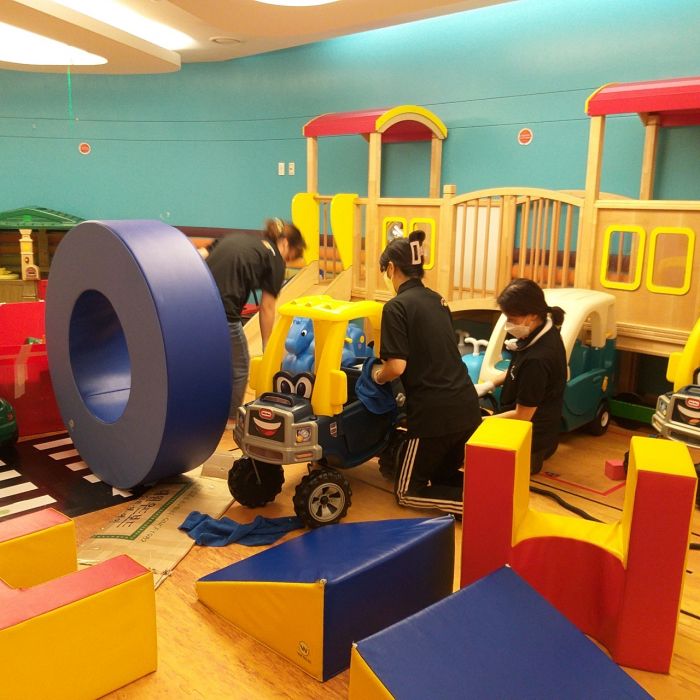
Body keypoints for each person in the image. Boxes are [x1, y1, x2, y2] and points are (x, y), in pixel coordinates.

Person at [371, 230, 482, 516]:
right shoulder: (437, 300)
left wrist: (377, 375)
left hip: (434, 417)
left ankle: (481, 510)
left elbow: (396, 367)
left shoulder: (396, 307)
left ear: (391, 268)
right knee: (441, 476)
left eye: (385, 271)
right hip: (467, 409)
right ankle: (489, 493)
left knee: (407, 492)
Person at [206, 218, 306, 421]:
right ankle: (231, 419)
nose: (286, 261)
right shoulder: (275, 259)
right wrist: (268, 344)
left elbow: (200, 255)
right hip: (224, 311)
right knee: (241, 366)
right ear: (285, 243)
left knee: (212, 362)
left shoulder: (241, 239)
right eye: (290, 256)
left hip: (197, 305)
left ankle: (207, 409)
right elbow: (267, 308)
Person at [482, 278, 567, 474]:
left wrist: (480, 424)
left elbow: (522, 416)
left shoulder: (539, 358)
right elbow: (517, 370)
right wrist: (489, 384)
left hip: (529, 443)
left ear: (532, 315)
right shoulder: (539, 331)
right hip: (521, 425)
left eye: (512, 319)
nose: (509, 324)